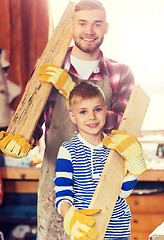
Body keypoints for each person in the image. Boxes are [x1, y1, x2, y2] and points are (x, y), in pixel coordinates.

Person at [0, 0, 136, 239]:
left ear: (106, 28)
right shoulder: (47, 69)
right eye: (82, 23)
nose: (89, 31)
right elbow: (33, 125)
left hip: (101, 184)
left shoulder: (120, 73)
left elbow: (124, 129)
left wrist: (70, 89)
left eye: (97, 24)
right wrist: (22, 141)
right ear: (70, 26)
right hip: (56, 182)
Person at [54, 81, 146, 240]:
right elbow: (63, 193)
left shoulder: (117, 147)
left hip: (119, 231)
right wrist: (70, 217)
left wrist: (133, 170)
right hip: (87, 231)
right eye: (83, 112)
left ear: (105, 111)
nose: (91, 117)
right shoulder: (68, 150)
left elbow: (123, 193)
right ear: (72, 116)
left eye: (97, 109)